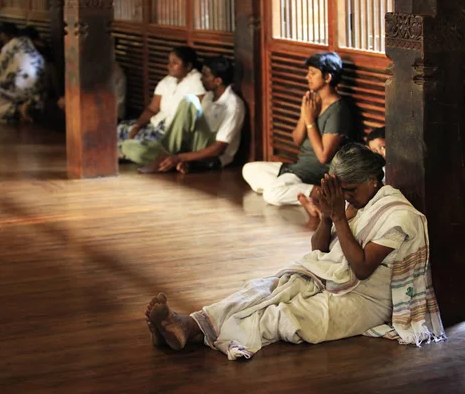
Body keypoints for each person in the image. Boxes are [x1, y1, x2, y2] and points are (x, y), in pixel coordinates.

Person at [145, 143, 445, 360]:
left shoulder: (397, 214)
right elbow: (319, 249)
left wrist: (339, 216)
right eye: (344, 192)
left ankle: (190, 333)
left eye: (351, 190)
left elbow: (363, 269)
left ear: (372, 180)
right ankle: (191, 324)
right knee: (262, 290)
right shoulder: (355, 203)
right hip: (330, 277)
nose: (348, 197)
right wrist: (328, 215)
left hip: (367, 298)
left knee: (285, 315)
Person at [242, 52, 353, 206]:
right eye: (308, 72)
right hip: (298, 167)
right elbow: (297, 140)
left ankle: (318, 192)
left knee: (271, 194)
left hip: (315, 172)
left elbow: (323, 157)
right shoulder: (312, 101)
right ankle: (291, 189)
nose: (307, 77)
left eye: (313, 73)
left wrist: (310, 121)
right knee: (249, 169)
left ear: (327, 78)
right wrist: (304, 114)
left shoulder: (338, 111)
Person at [120, 56, 245, 174]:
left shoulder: (233, 105)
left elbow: (219, 148)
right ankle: (173, 162)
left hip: (212, 155)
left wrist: (180, 156)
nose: (201, 78)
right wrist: (182, 155)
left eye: (206, 76)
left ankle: (168, 159)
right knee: (128, 146)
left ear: (218, 81)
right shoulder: (209, 96)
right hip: (191, 148)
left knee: (189, 101)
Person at [117, 46, 206, 158]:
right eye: (169, 62)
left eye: (175, 63)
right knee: (121, 129)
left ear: (188, 66)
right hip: (156, 124)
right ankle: (122, 152)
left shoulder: (197, 81)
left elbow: (192, 116)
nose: (170, 66)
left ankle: (126, 152)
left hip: (172, 132)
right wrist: (137, 125)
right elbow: (152, 109)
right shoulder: (167, 81)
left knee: (141, 144)